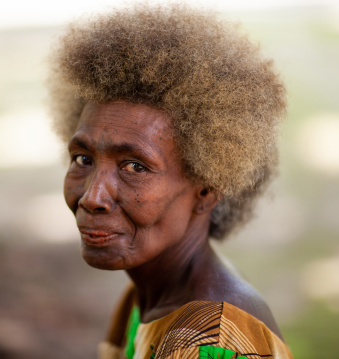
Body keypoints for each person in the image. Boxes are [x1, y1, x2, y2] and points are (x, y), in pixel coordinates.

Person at [48, 3, 293, 359]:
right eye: (83, 159)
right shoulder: (146, 295)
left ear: (207, 189)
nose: (92, 197)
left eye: (134, 167)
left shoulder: (205, 342)